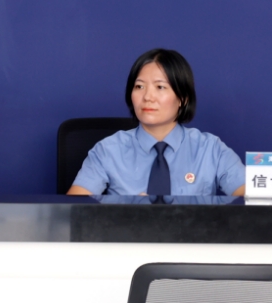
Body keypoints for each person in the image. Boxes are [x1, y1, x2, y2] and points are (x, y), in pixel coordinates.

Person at [67, 48, 246, 198]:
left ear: (182, 98)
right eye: (139, 86)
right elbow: (72, 212)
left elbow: (253, 203)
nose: (147, 97)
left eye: (160, 87)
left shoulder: (211, 149)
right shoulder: (108, 151)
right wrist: (123, 212)